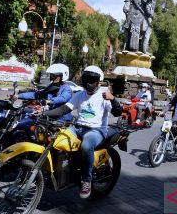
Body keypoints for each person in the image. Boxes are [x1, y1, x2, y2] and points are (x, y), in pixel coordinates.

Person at [40, 66, 123, 198]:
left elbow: (118, 112)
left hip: (96, 131)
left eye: (92, 80)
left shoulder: (104, 95)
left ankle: (86, 180)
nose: (89, 82)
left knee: (86, 145)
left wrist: (112, 99)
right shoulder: (79, 95)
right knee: (56, 139)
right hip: (77, 127)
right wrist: (44, 113)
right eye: (86, 79)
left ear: (99, 82)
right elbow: (64, 110)